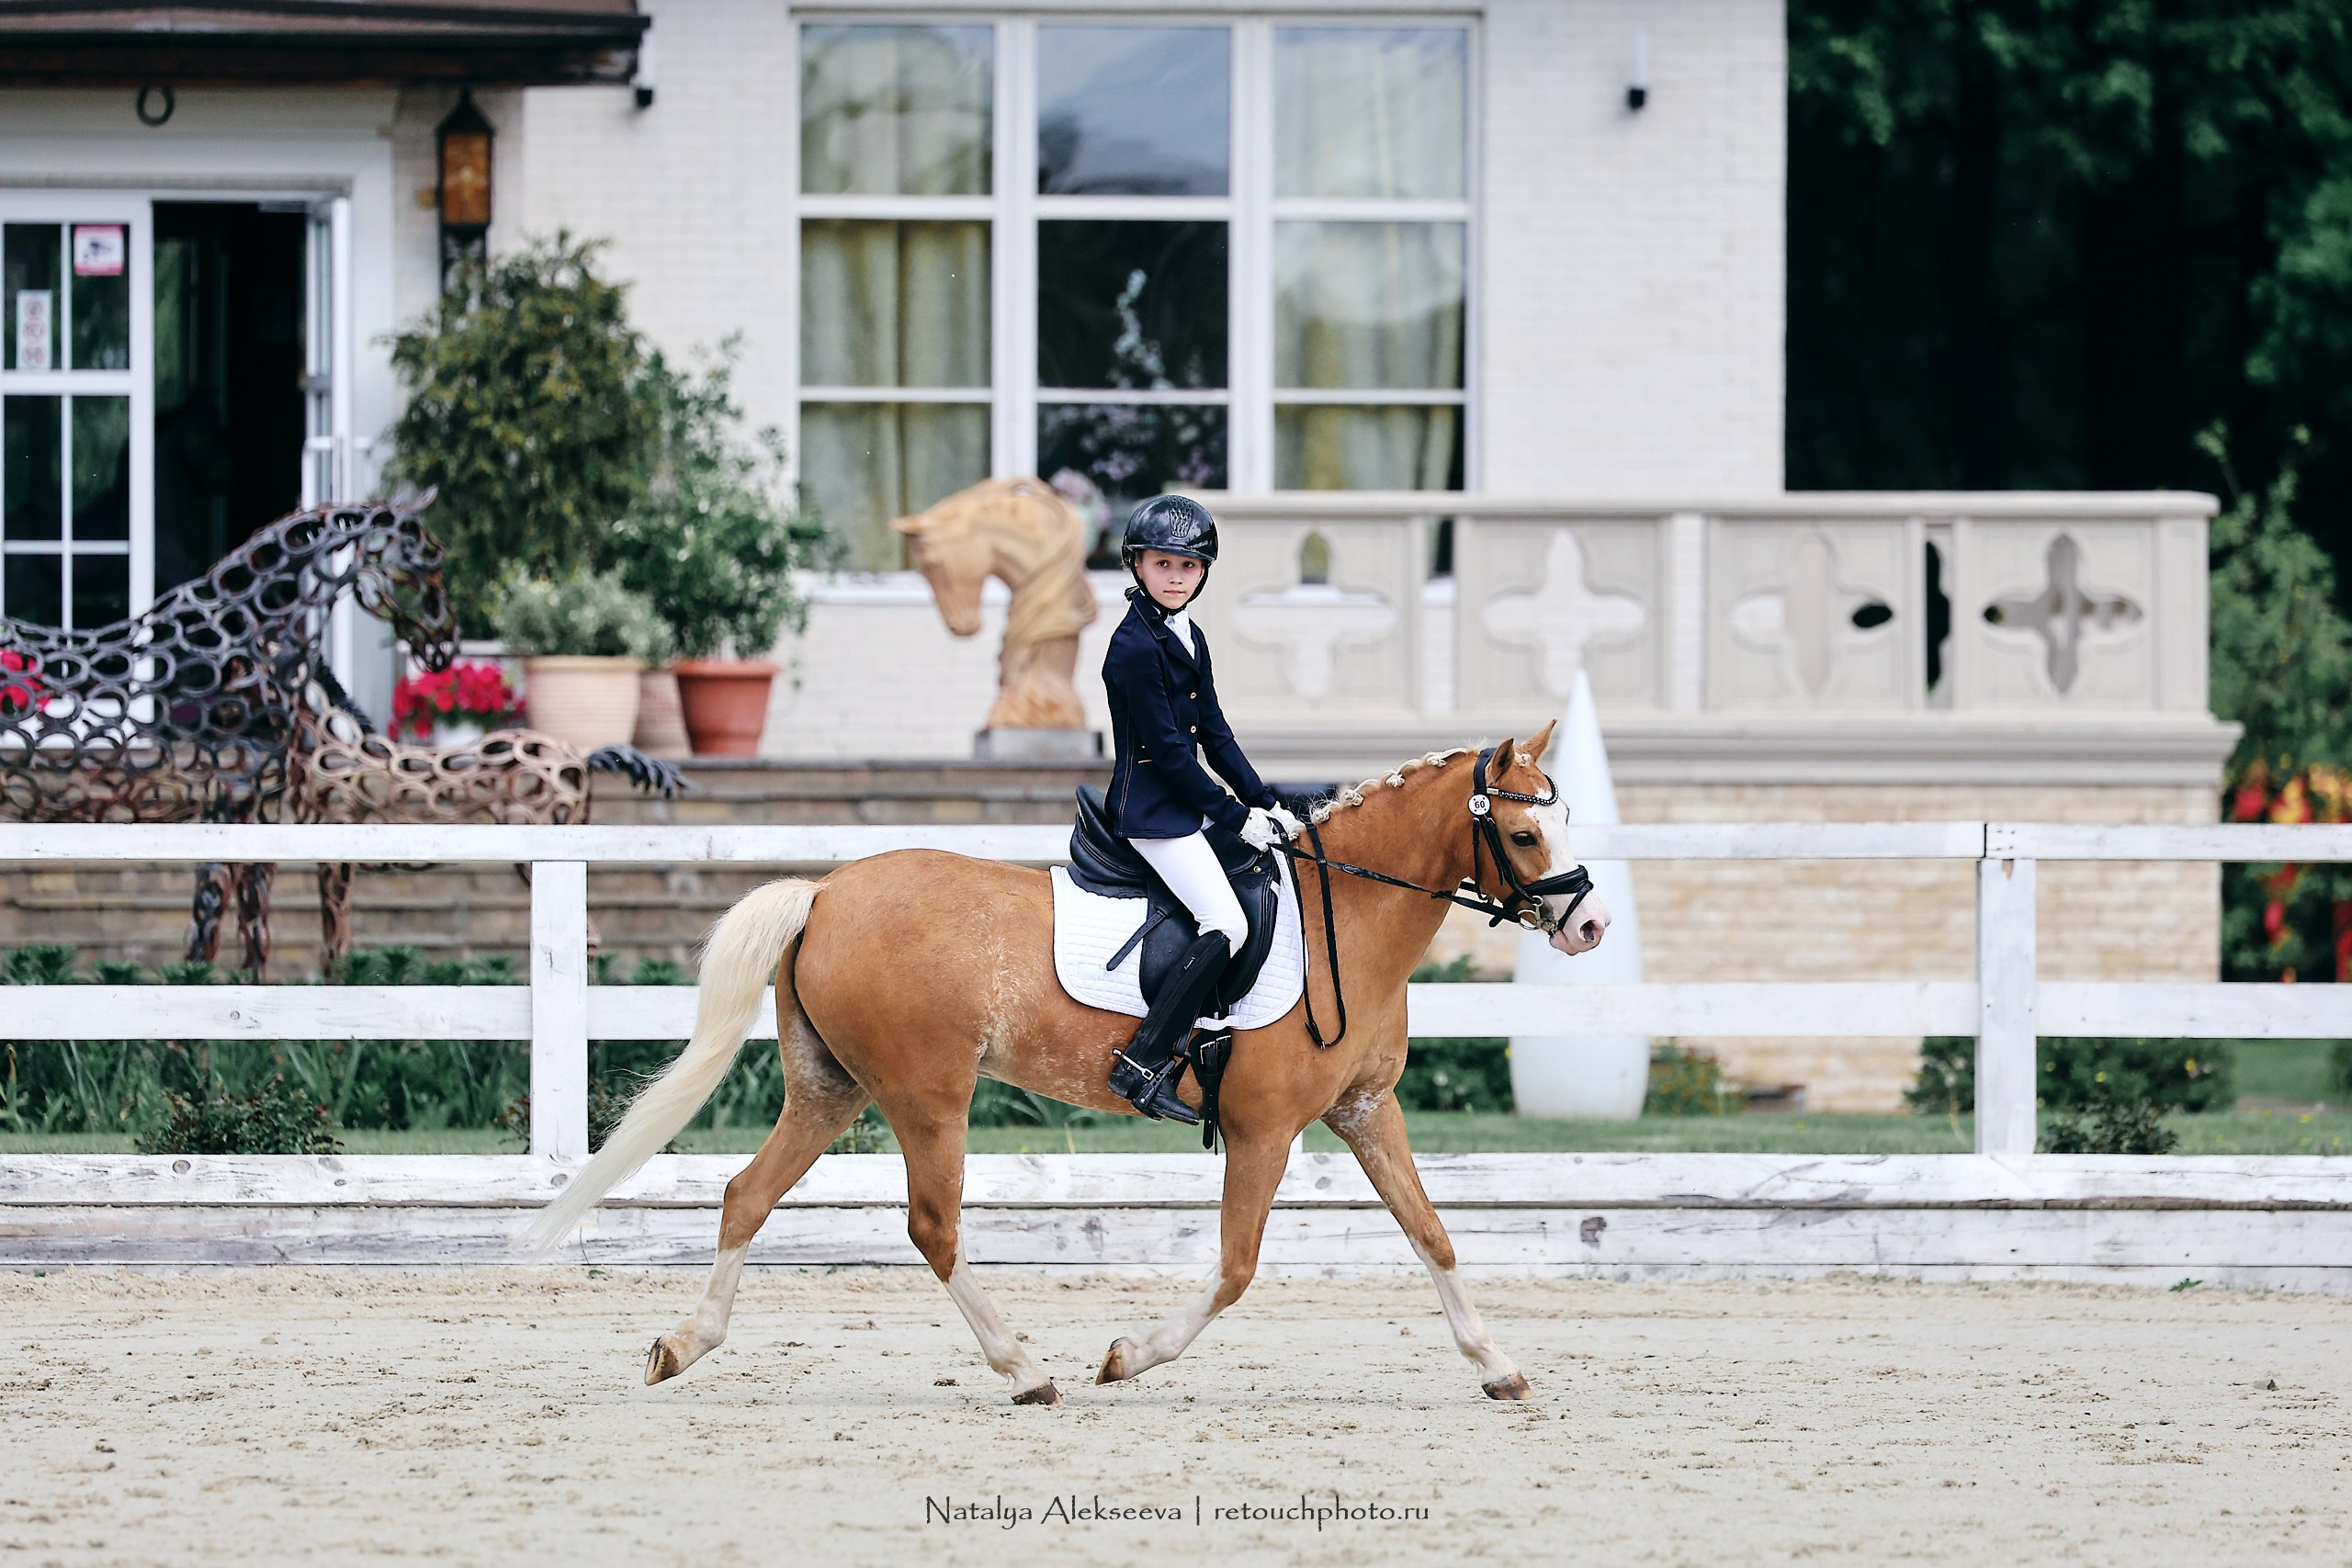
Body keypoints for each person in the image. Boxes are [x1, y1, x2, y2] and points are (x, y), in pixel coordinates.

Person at [1099, 495, 1301, 1122]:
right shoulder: (1134, 647)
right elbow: (1170, 753)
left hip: (1187, 803)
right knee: (1227, 923)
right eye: (1164, 564)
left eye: (1188, 566)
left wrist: (1266, 800)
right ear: (1138, 565)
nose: (1176, 575)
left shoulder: (1189, 634)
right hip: (1152, 812)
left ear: (1203, 572)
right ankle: (1144, 1062)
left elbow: (1214, 733)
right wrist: (1236, 815)